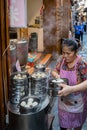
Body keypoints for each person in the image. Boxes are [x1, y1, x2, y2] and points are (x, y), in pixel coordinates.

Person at [52, 38, 87, 130]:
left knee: (76, 125)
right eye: (63, 53)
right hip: (63, 104)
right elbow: (55, 70)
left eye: (68, 53)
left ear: (75, 52)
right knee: (64, 125)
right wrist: (57, 76)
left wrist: (71, 89)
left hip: (77, 103)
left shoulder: (81, 64)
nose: (65, 56)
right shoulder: (62, 60)